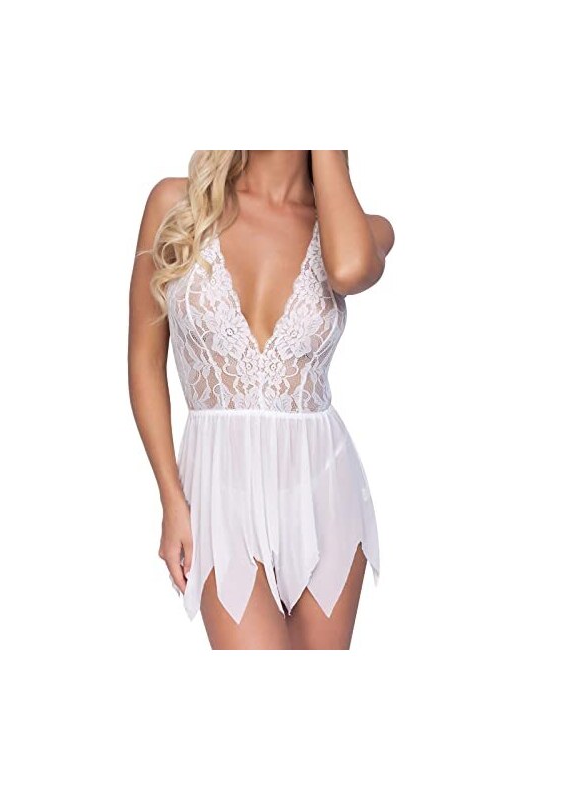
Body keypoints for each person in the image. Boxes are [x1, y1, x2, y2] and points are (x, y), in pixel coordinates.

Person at [129, 150, 395, 649]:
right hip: (218, 491)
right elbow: (145, 360)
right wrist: (171, 498)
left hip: (323, 491)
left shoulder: (362, 232)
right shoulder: (176, 205)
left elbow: (348, 269)